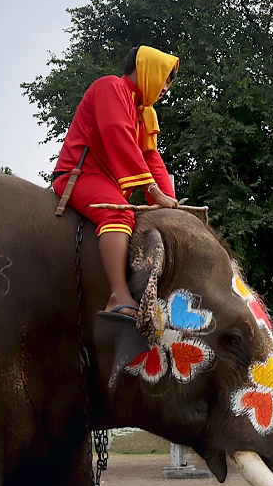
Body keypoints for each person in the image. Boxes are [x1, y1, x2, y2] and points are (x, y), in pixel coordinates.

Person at [52, 45, 181, 320]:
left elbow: (151, 158)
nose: (165, 89)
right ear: (146, 69)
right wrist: (153, 191)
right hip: (80, 175)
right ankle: (119, 296)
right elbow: (118, 135)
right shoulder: (110, 87)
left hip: (109, 183)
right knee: (119, 214)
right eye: (163, 79)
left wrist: (169, 206)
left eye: (168, 84)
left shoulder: (144, 113)